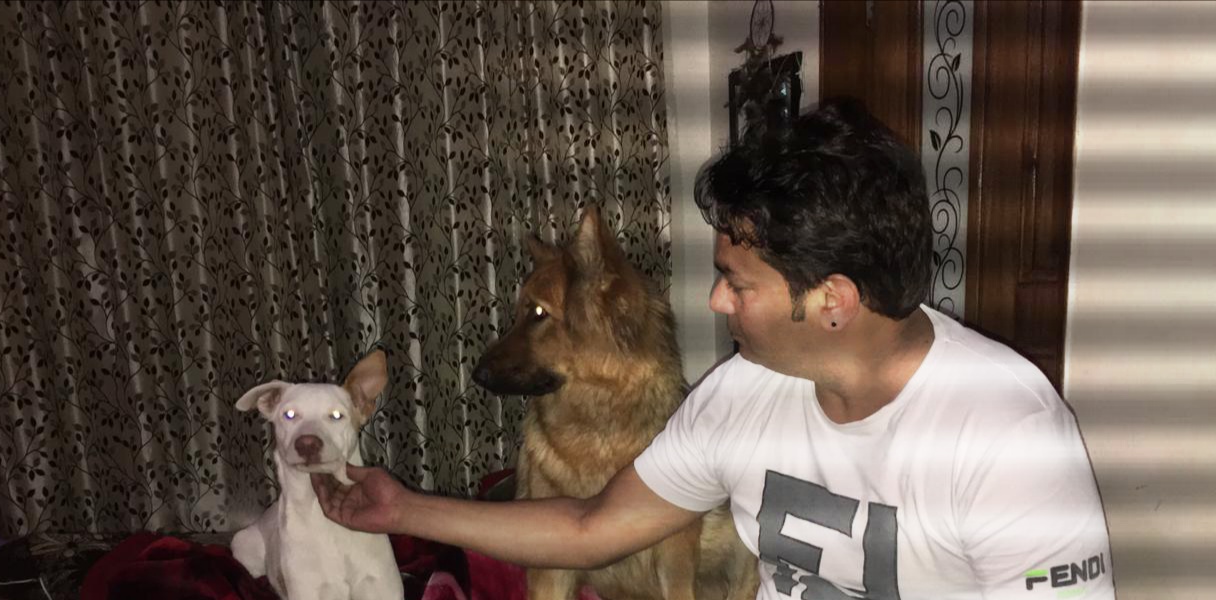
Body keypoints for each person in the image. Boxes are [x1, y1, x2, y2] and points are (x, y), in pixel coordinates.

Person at [312, 98, 1115, 599]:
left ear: (831, 301)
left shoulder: (1005, 432)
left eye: (738, 283)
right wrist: (405, 509)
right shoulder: (742, 394)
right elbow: (592, 526)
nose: (716, 302)